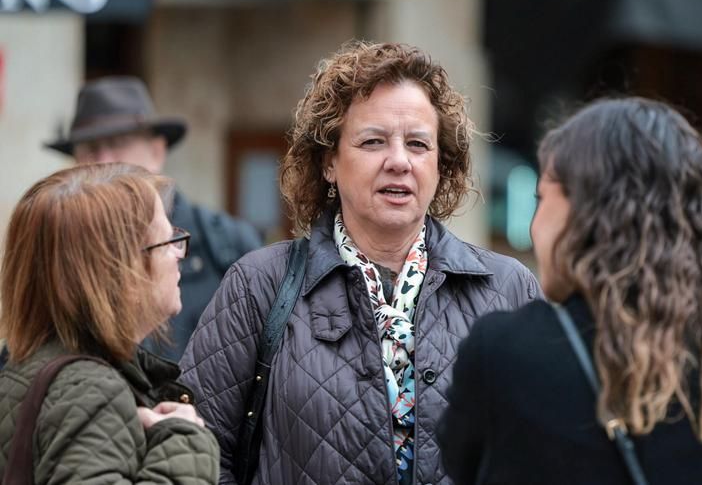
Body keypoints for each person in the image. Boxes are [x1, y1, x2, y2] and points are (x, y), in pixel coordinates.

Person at [180, 41, 541, 485]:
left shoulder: (508, 290)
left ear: (441, 164)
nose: (399, 162)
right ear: (329, 161)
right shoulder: (258, 286)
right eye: (373, 142)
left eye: (418, 144)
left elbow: (546, 452)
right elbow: (197, 453)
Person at [438, 97, 702, 484]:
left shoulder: (505, 354)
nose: (533, 226)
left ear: (583, 215)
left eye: (543, 199)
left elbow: (460, 462)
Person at [0, 163, 218, 483]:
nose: (178, 253)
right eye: (166, 241)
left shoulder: (24, 364)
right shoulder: (89, 390)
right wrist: (185, 440)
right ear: (122, 274)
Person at [45, 75, 262, 361]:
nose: (103, 160)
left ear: (157, 151)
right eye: (90, 149)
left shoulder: (226, 244)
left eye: (117, 143)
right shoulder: (62, 250)